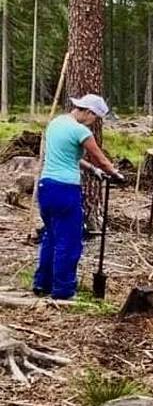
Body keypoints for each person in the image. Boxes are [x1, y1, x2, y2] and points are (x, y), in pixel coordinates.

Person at [33, 94, 124, 300]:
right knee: (69, 241)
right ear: (88, 112)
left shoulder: (56, 123)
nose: (94, 122)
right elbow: (100, 157)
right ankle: (63, 291)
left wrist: (92, 170)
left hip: (46, 187)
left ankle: (42, 283)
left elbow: (68, 156)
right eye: (95, 117)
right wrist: (115, 174)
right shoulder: (80, 130)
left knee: (51, 237)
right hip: (65, 190)